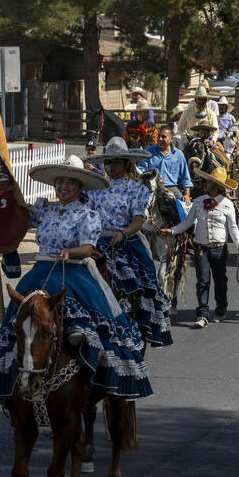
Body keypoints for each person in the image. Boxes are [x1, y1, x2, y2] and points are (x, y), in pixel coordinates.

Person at [0, 155, 152, 401]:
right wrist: (1, 192)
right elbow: (18, 215)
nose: (63, 187)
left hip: (73, 269)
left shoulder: (87, 214)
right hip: (41, 270)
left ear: (80, 186)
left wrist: (70, 251)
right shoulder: (45, 208)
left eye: (70, 182)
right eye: (59, 182)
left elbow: (87, 248)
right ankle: (12, 378)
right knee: (16, 318)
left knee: (101, 316)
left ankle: (96, 366)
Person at [84, 138, 172, 347]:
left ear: (126, 164)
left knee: (144, 275)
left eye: (116, 162)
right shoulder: (96, 189)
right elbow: (88, 216)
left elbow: (138, 221)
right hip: (98, 241)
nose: (111, 167)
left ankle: (140, 318)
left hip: (127, 239)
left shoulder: (137, 189)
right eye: (108, 162)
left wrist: (122, 234)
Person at [162, 167, 239, 329]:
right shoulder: (198, 202)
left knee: (220, 281)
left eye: (209, 182)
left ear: (217, 186)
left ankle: (221, 308)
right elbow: (188, 222)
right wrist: (172, 230)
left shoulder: (227, 205)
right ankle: (202, 314)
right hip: (201, 249)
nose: (205, 184)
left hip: (219, 249)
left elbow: (233, 228)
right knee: (203, 281)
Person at [138, 126, 193, 210]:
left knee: (185, 211)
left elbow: (185, 177)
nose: (160, 139)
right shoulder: (148, 152)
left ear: (171, 139)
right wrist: (152, 179)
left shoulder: (179, 155)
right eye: (158, 136)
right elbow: (142, 171)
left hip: (172, 189)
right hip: (152, 187)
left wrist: (187, 194)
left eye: (163, 137)